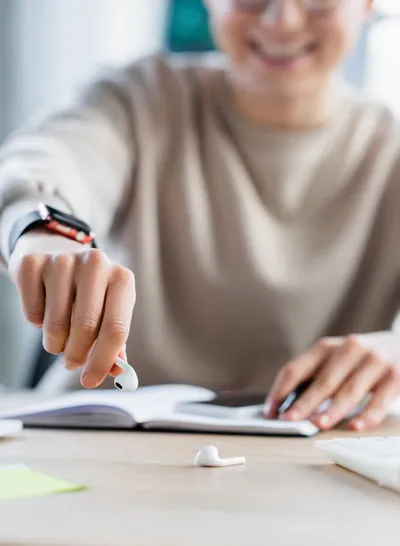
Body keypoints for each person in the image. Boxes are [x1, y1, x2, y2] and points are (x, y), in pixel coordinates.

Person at [1, 0, 400, 432]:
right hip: (94, 442)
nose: (281, 20)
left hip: (303, 464)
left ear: (366, 5)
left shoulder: (390, 153)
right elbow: (44, 163)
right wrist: (43, 229)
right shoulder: (142, 99)